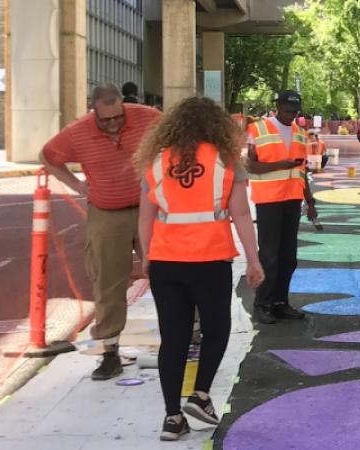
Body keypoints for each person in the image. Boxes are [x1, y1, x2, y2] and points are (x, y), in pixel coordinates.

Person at [134, 96, 265, 441]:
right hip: (210, 259)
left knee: (173, 339)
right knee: (217, 329)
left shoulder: (157, 161)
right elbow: (239, 214)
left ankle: (172, 418)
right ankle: (201, 394)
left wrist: (147, 256)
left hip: (165, 261)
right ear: (216, 125)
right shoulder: (226, 160)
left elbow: (145, 217)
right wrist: (253, 259)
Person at [40, 85, 162, 380]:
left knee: (169, 271)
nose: (114, 124)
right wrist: (78, 186)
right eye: (106, 120)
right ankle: (110, 352)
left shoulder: (148, 117)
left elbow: (178, 138)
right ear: (93, 111)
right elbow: (48, 157)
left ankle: (189, 331)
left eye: (118, 117)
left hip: (152, 208)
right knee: (108, 281)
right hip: (107, 213)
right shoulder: (77, 132)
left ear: (124, 106)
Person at [246, 90, 315, 324]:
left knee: (288, 257)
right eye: (288, 111)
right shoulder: (258, 129)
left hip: (292, 199)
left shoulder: (299, 132)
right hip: (268, 201)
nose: (292, 116)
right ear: (277, 107)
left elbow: (301, 170)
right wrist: (279, 165)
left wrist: (310, 200)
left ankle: (280, 302)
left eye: (296, 112)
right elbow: (250, 166)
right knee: (269, 255)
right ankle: (262, 303)